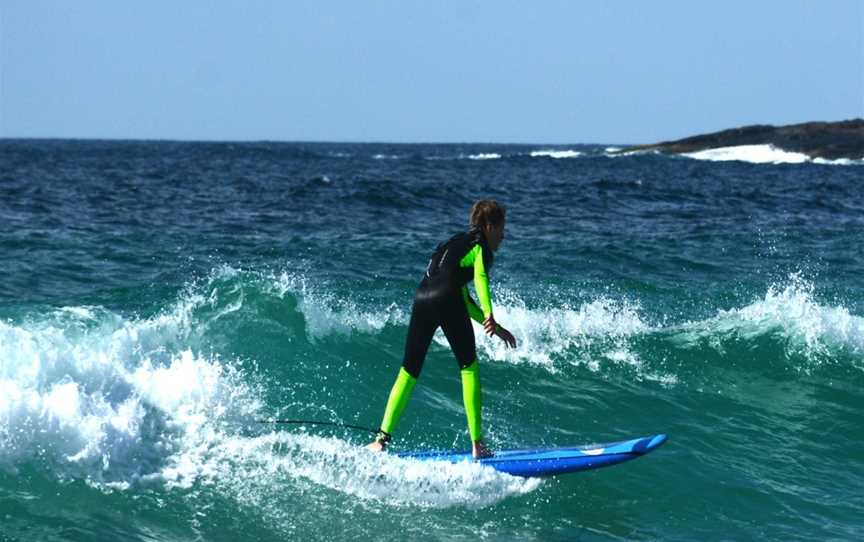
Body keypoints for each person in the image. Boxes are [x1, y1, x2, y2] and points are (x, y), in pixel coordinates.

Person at [367, 200, 517, 458]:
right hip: (445, 296)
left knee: (408, 371)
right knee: (469, 367)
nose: (503, 236)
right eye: (501, 229)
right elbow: (480, 277)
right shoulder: (480, 247)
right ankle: (477, 444)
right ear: (489, 226)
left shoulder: (454, 244)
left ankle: (381, 440)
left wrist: (494, 325)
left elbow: (462, 298)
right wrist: (490, 311)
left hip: (422, 297)